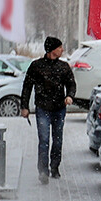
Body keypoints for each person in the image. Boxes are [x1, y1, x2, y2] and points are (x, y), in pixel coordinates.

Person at [21, 36, 76, 183]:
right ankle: (43, 171)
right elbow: (27, 86)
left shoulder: (64, 67)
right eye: (60, 47)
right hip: (43, 108)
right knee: (44, 140)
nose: (62, 50)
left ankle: (55, 167)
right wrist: (24, 106)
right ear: (52, 49)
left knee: (57, 140)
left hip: (59, 108)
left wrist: (70, 96)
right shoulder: (36, 66)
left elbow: (71, 84)